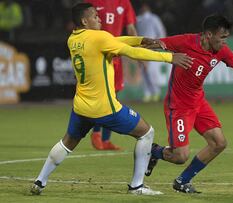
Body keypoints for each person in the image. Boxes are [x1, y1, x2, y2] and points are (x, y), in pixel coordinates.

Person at [30, 3, 192, 196]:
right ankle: (136, 186)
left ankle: (40, 181)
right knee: (147, 132)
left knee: (67, 143)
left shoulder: (73, 38)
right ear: (84, 20)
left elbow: (114, 40)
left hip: (81, 106)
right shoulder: (99, 38)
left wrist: (139, 39)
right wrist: (169, 58)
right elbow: (129, 52)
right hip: (105, 108)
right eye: (95, 16)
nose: (99, 18)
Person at [145, 14, 233, 193]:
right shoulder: (185, 41)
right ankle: (154, 151)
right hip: (178, 107)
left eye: (227, 37)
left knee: (219, 143)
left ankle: (182, 181)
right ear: (208, 35)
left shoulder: (221, 51)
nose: (225, 42)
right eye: (222, 37)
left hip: (199, 102)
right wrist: (118, 46)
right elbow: (153, 43)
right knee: (180, 156)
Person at [85, 0, 138, 150]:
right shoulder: (92, 2)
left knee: (113, 97)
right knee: (101, 95)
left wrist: (137, 50)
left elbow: (131, 28)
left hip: (116, 56)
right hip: (98, 54)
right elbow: (84, 27)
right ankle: (96, 132)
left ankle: (106, 139)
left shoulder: (124, 2)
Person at [136, 1, 167, 102]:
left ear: (147, 7)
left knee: (150, 71)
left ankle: (155, 92)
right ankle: (148, 93)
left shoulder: (154, 18)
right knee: (144, 71)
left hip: (152, 47)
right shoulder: (138, 19)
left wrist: (160, 45)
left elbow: (161, 32)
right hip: (142, 47)